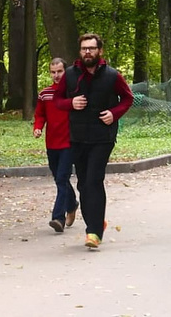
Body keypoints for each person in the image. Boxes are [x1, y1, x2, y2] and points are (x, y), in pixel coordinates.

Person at [54, 33, 134, 248]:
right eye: (84, 49)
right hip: (78, 137)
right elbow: (57, 101)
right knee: (82, 183)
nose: (87, 52)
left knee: (93, 181)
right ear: (79, 52)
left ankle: (94, 232)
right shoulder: (70, 75)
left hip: (102, 137)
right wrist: (71, 103)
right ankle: (97, 222)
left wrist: (113, 114)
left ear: (100, 51)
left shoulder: (112, 75)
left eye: (91, 48)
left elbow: (128, 99)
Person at [33, 58, 79, 233]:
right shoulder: (45, 94)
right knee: (59, 178)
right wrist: (38, 128)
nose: (56, 75)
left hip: (69, 142)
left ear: (65, 72)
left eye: (60, 71)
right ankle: (72, 203)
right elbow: (40, 114)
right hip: (52, 143)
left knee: (61, 178)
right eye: (53, 72)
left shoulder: (72, 93)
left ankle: (58, 218)